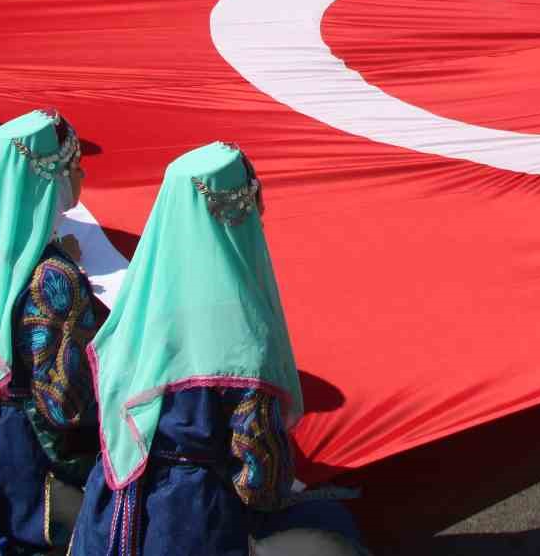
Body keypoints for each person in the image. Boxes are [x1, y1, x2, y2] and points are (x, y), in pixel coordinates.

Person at [69, 142, 367, 555]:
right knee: (337, 527)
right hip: (191, 519)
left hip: (112, 510)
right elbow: (260, 478)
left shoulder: (140, 303)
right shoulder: (242, 331)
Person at [0, 110, 101, 555]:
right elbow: (63, 402)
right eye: (75, 167)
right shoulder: (53, 278)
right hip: (28, 447)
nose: (81, 175)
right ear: (53, 180)